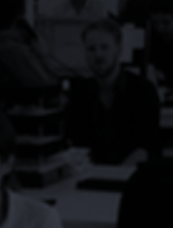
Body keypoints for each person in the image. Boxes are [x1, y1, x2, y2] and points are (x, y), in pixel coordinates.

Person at [63, 19, 160, 166]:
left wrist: (117, 173)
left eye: (105, 47)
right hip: (90, 173)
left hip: (132, 173)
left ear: (119, 49)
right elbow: (76, 144)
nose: (98, 55)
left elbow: (148, 146)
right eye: (91, 49)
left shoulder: (142, 90)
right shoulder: (80, 93)